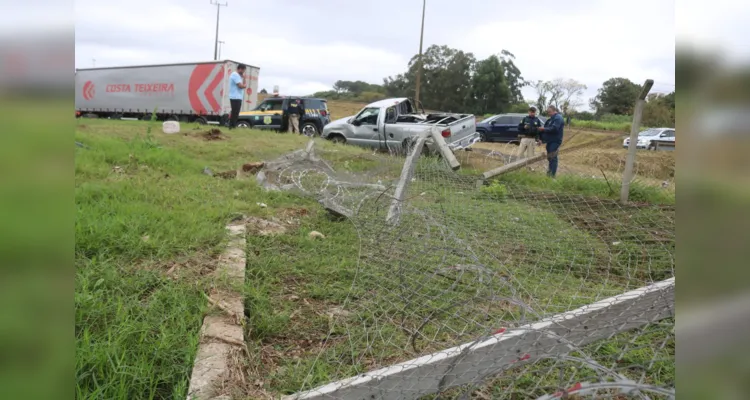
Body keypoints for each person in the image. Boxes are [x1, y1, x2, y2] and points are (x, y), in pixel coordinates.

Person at [537, 105, 565, 178]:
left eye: (549, 112)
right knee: (549, 157)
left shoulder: (558, 118)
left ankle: (552, 176)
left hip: (555, 141)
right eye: (548, 112)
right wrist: (540, 139)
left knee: (553, 157)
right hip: (549, 141)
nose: (548, 113)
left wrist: (543, 129)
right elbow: (545, 129)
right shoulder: (550, 119)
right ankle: (549, 173)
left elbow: (554, 129)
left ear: (554, 110)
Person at [228, 64, 247, 129]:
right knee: (234, 112)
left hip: (238, 97)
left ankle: (233, 126)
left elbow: (243, 85)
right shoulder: (235, 75)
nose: (243, 72)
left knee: (236, 113)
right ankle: (231, 127)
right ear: (240, 69)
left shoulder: (238, 76)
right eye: (243, 70)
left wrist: (244, 78)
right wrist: (244, 85)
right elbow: (241, 86)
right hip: (235, 97)